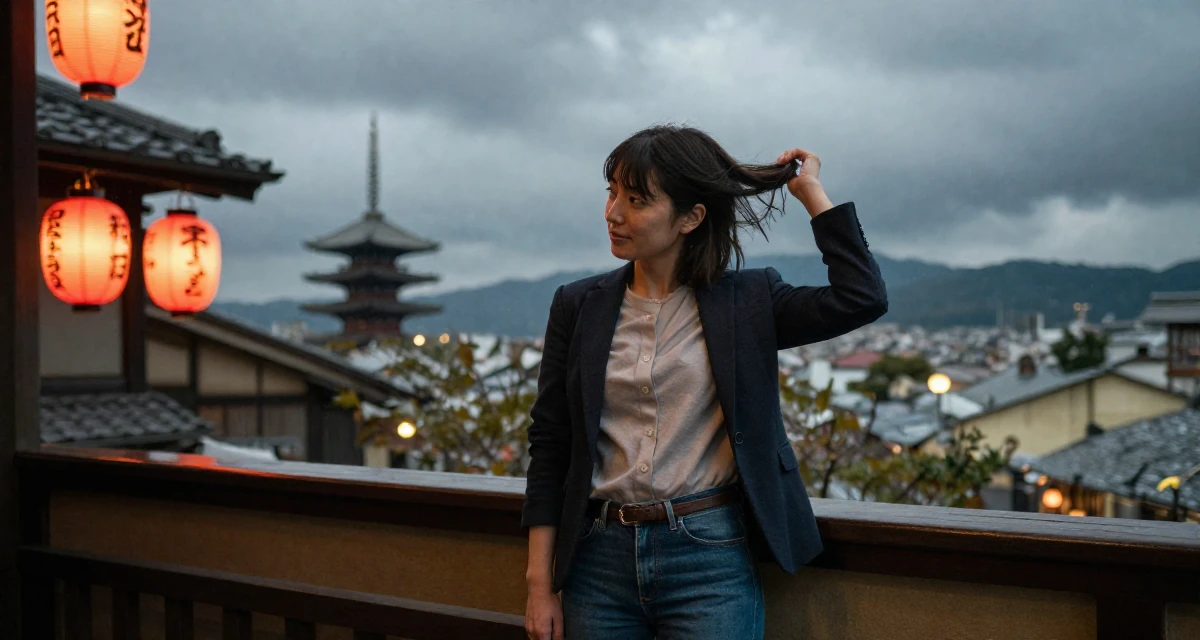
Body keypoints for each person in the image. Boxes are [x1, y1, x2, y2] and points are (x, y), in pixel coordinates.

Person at [523, 125, 888, 639]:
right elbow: (551, 443)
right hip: (596, 560)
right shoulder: (578, 306)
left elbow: (862, 297)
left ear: (690, 218)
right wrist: (541, 585)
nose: (614, 213)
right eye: (611, 194)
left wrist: (812, 194)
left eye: (636, 200)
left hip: (708, 556)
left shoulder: (748, 302)